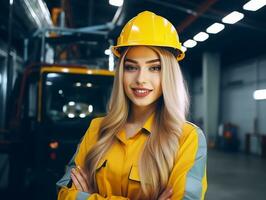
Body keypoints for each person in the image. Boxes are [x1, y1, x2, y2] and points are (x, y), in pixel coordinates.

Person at [56, 11, 207, 200]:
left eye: (154, 68)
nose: (141, 79)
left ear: (169, 73)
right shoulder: (97, 129)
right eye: (131, 67)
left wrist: (90, 197)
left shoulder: (187, 138)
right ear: (121, 72)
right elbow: (64, 193)